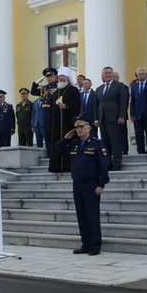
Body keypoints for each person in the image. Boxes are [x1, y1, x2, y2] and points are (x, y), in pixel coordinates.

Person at [55, 115, 109, 256]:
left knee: (92, 215)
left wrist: (101, 184)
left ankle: (95, 245)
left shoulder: (97, 144)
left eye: (81, 126)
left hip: (91, 184)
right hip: (77, 184)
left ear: (88, 128)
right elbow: (58, 150)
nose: (78, 129)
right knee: (81, 216)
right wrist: (66, 138)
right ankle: (86, 244)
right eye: (76, 127)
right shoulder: (75, 144)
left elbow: (104, 166)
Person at [47, 67, 81, 173]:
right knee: (56, 144)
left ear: (67, 78)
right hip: (56, 124)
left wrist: (66, 106)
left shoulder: (73, 90)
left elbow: (77, 106)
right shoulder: (56, 92)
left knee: (68, 143)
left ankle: (67, 165)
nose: (60, 78)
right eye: (59, 76)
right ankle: (56, 166)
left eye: (63, 76)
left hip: (68, 123)